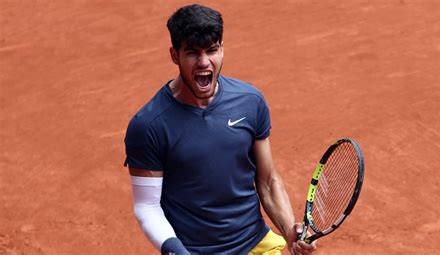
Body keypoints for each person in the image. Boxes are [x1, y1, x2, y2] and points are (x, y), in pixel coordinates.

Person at [124, 4, 317, 254]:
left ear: (222, 49)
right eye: (192, 53)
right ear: (175, 55)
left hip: (255, 244)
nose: (204, 62)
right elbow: (146, 207)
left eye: (212, 50)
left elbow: (267, 181)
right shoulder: (148, 125)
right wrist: (174, 249)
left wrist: (289, 229)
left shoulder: (250, 101)